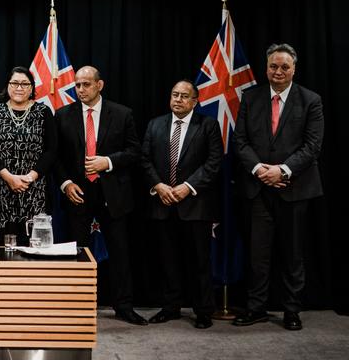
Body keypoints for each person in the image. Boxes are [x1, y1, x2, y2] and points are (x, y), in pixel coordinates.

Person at [233, 43, 324, 331]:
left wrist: (282, 170)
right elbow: (241, 141)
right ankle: (256, 308)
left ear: (294, 69)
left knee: (292, 253)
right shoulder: (250, 97)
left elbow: (312, 146)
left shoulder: (311, 100)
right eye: (274, 66)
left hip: (295, 189)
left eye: (285, 66)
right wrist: (261, 170)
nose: (279, 71)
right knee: (257, 254)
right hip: (258, 189)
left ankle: (291, 310)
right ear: (266, 67)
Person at [55, 65, 147, 326]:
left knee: (120, 252)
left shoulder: (121, 114)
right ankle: (79, 306)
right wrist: (66, 183)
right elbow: (56, 157)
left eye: (86, 84)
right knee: (79, 253)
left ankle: (124, 306)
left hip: (113, 194)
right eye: (77, 85)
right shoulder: (63, 115)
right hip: (78, 194)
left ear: (99, 85)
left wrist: (107, 161)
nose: (81, 90)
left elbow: (134, 152)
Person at [140, 80, 223, 329]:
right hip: (163, 203)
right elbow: (144, 160)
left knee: (199, 261)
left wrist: (187, 187)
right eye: (174, 94)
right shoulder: (156, 124)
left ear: (194, 102)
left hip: (195, 204)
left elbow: (214, 162)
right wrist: (158, 186)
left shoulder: (207, 125)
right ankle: (170, 307)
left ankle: (203, 311)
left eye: (184, 96)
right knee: (168, 259)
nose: (178, 99)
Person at [0, 66, 57, 246]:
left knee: (32, 245)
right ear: (7, 86)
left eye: (24, 84)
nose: (19, 88)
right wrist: (8, 177)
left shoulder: (43, 112)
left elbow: (51, 150)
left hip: (34, 191)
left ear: (31, 88)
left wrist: (29, 178)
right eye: (14, 83)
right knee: (0, 246)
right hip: (0, 191)